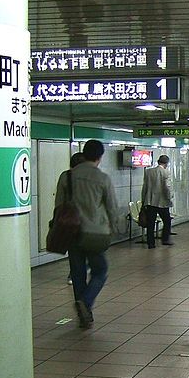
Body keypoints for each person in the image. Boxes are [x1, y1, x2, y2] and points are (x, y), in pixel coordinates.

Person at [54, 139, 123, 328]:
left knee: (77, 273)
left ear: (84, 154)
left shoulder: (66, 177)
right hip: (96, 234)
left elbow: (59, 206)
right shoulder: (102, 178)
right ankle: (86, 302)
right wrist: (114, 230)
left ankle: (84, 314)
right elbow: (112, 208)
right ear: (100, 157)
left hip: (72, 232)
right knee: (100, 271)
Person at [141, 154, 174, 248]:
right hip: (162, 202)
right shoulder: (166, 172)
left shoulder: (148, 172)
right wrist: (170, 198)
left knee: (150, 223)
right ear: (166, 163)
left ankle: (150, 243)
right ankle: (165, 239)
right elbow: (167, 188)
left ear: (158, 161)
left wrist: (143, 200)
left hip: (150, 201)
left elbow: (145, 188)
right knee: (167, 221)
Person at [66, 152, 86, 286]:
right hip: (89, 223)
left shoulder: (66, 177)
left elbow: (59, 202)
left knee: (74, 254)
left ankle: (73, 275)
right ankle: (85, 299)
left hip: (70, 222)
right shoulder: (94, 176)